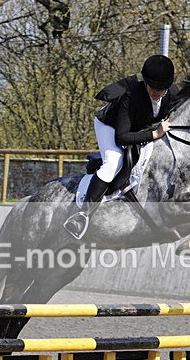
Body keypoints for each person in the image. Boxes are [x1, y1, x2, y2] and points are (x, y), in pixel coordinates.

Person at [64, 54, 179, 239]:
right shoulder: (131, 96)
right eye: (153, 88)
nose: (157, 93)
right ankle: (82, 216)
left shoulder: (173, 94)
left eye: (162, 89)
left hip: (138, 126)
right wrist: (154, 134)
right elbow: (122, 137)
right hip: (110, 126)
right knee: (113, 163)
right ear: (146, 83)